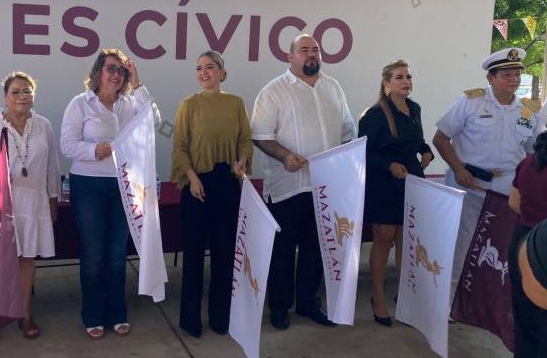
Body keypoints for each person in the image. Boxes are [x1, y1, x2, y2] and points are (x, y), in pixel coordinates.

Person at [250, 34, 356, 329]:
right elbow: (260, 136)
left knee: (316, 249)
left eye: (316, 50)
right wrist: (284, 155)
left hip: (325, 186)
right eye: (304, 50)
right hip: (288, 186)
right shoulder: (273, 91)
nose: (311, 54)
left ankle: (309, 302)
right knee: (282, 251)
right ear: (290, 57)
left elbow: (347, 132)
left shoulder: (333, 87)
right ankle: (280, 307)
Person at [60, 48, 154, 340]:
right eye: (111, 68)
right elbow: (67, 144)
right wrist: (94, 150)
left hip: (124, 185)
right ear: (98, 71)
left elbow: (154, 120)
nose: (116, 75)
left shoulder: (131, 103)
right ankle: (92, 315)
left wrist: (138, 83)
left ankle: (117, 313)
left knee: (116, 253)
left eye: (122, 71)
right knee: (93, 253)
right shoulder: (80, 103)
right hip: (88, 185)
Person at [433, 47, 542, 299]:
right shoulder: (470, 103)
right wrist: (458, 169)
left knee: (500, 244)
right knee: (463, 243)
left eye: (517, 74)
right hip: (470, 184)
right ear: (490, 78)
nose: (514, 79)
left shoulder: (528, 111)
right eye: (506, 74)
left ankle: (489, 301)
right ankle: (452, 301)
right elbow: (440, 138)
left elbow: (533, 153)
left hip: (506, 189)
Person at [0, 72, 60, 346]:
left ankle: (25, 314)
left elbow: (52, 167)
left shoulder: (44, 125)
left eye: (27, 91)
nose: (22, 96)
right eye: (16, 92)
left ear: (34, 95)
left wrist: (53, 201)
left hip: (33, 204)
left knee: (26, 259)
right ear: (5, 97)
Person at [170, 51, 252, 338]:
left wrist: (242, 160)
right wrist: (191, 177)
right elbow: (179, 147)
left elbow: (245, 140)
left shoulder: (236, 103)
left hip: (227, 184)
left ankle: (221, 318)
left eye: (210, 67)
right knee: (193, 256)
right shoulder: (188, 105)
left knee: (224, 255)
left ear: (222, 72)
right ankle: (190, 320)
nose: (204, 72)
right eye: (199, 68)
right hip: (197, 185)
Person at [357, 59, 433, 327]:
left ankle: (406, 298)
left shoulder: (414, 108)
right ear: (386, 83)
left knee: (407, 241)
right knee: (383, 240)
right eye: (399, 77)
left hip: (412, 181)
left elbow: (417, 140)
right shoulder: (375, 114)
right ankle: (378, 298)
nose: (406, 82)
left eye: (408, 77)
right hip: (384, 184)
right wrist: (389, 165)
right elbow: (364, 152)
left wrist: (426, 150)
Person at [508, 131, 547, 356]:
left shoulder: (528, 163)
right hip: (541, 247)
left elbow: (514, 202)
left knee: (525, 325)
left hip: (522, 244)